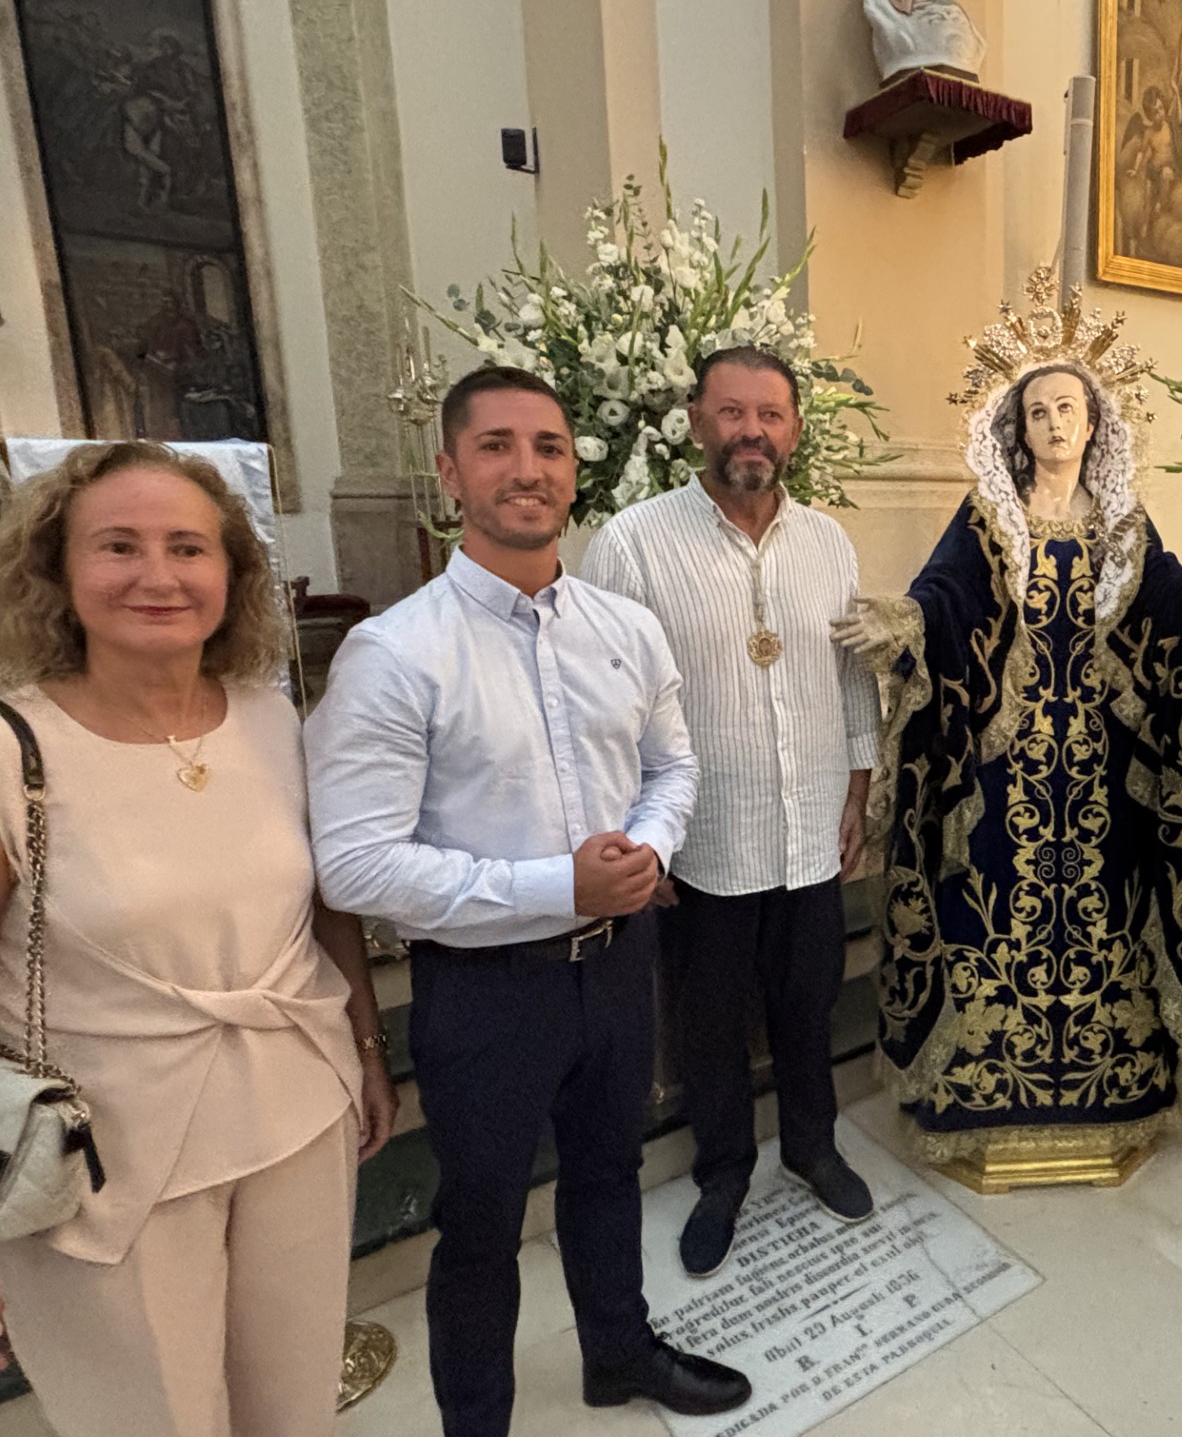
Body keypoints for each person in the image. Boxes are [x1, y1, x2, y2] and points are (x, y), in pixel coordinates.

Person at [305, 367, 749, 1436]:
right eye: (496, 445)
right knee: (481, 1224)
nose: (527, 468)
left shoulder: (626, 628)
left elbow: (672, 766)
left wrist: (645, 851)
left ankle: (617, 1353)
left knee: (611, 1171)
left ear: (573, 472)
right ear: (450, 473)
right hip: (485, 991)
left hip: (618, 963)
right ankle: (479, 1422)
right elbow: (354, 865)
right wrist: (560, 884)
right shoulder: (396, 653)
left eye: (549, 446)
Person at [0, 440, 396, 1437]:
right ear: (56, 568)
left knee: (292, 1404)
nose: (158, 575)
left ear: (232, 572)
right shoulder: (14, 749)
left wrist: (365, 1048)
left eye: (188, 547)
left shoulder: (268, 719)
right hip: (106, 1154)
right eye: (118, 546)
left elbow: (324, 907)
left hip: (295, 1113)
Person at [833, 357, 1182, 1165]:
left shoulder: (1122, 521)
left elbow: (1167, 602)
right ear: (1018, 431)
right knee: (989, 912)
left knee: (1112, 916)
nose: (1055, 424)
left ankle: (1112, 1094)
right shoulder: (990, 516)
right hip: (1003, 774)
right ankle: (984, 1096)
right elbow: (947, 597)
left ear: (1094, 425)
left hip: (1106, 775)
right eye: (1039, 412)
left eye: (1068, 409)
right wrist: (906, 622)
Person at [581, 347, 882, 1279]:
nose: (752, 432)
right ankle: (722, 1174)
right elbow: (605, 704)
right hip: (702, 839)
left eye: (770, 415)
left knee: (808, 1003)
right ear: (696, 422)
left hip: (809, 828)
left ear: (794, 430)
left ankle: (813, 1147)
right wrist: (642, 839)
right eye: (733, 413)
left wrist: (859, 787)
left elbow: (851, 674)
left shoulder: (828, 542)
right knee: (710, 1024)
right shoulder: (633, 543)